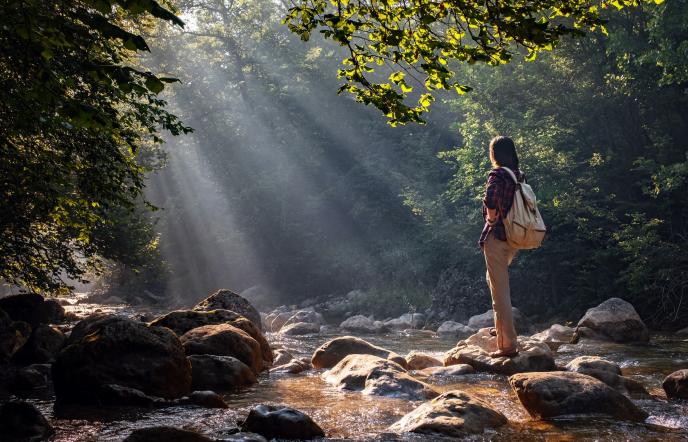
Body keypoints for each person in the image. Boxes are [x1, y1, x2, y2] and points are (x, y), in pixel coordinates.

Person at [478, 135, 525, 358]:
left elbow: (490, 197)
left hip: (496, 236)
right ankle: (501, 330)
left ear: (494, 154)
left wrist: (491, 219)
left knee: (500, 292)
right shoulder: (518, 175)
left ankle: (507, 346)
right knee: (494, 280)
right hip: (514, 237)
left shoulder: (497, 175)